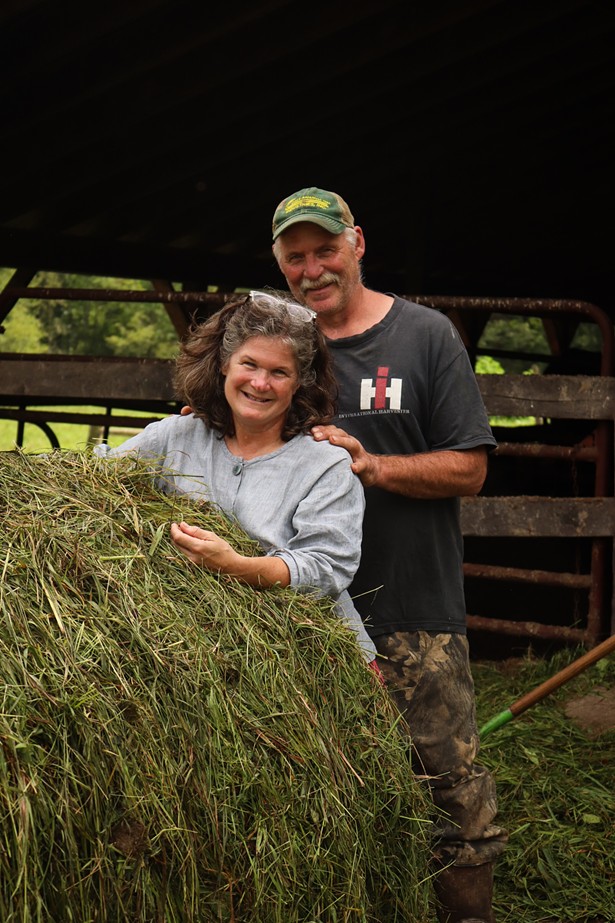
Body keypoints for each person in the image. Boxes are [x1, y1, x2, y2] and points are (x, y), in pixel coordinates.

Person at [270, 187, 508, 923]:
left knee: (451, 797)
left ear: (357, 243)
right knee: (315, 790)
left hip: (412, 611)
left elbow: (469, 467)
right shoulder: (278, 348)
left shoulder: (424, 336)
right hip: (295, 613)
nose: (312, 269)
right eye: (294, 256)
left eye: (324, 250)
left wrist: (371, 466)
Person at [94, 289, 377, 664]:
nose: (260, 384)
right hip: (201, 654)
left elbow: (327, 567)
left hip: (311, 663)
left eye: (279, 372)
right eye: (250, 364)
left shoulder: (325, 465)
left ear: (300, 382)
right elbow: (96, 480)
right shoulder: (174, 436)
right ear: (225, 363)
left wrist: (237, 567)